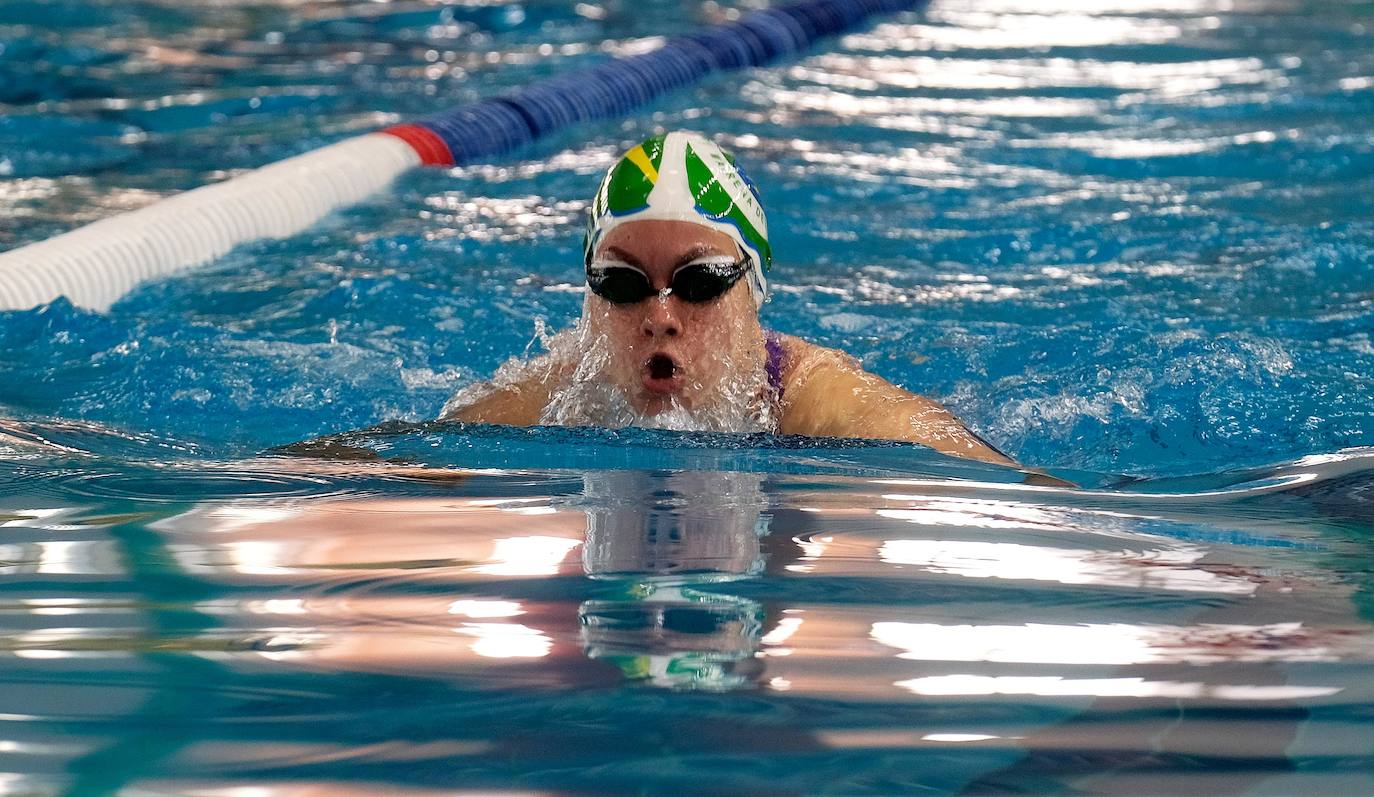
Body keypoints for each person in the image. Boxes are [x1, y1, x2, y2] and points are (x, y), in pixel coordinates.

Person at [441, 131, 1015, 467]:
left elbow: (1012, 488)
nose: (660, 317)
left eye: (700, 283)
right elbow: (379, 472)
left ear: (753, 289)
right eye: (622, 285)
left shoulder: (820, 404)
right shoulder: (550, 397)